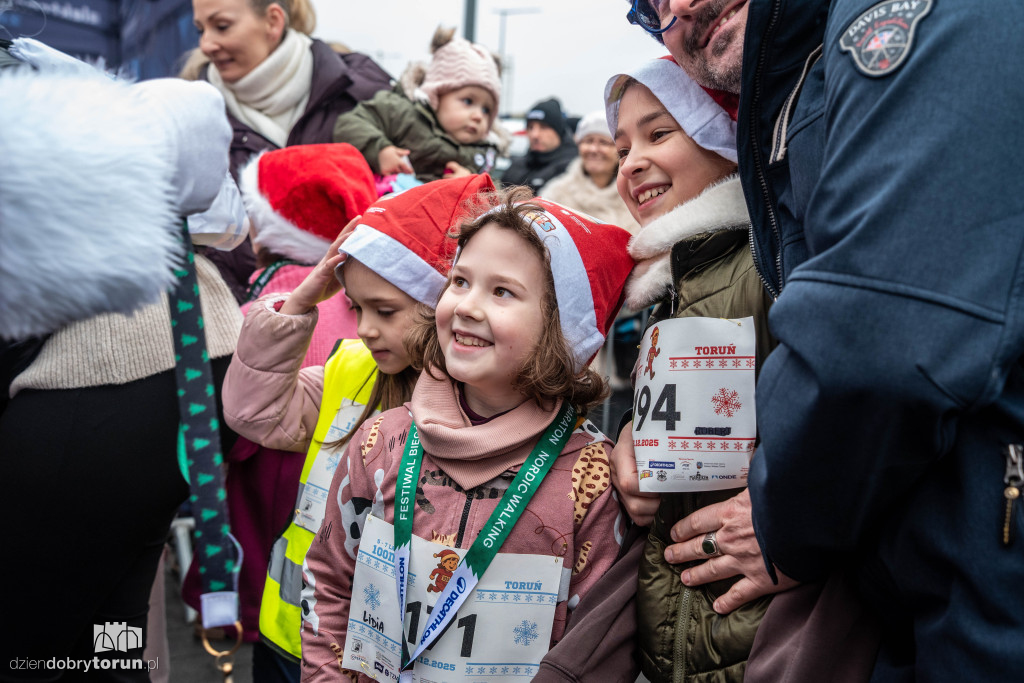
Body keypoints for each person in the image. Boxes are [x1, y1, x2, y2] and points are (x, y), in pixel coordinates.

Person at [630, 0, 1024, 679]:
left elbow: (881, 336)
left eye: (659, 132)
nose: (683, 6)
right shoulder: (798, 90)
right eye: (652, 6)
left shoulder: (889, 30)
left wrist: (785, 517)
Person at [296, 189, 635, 681]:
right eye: (459, 280)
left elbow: (592, 648)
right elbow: (328, 582)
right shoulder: (379, 443)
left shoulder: (593, 478)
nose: (467, 306)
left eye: (502, 291)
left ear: (561, 330)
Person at [0, 75, 241, 681]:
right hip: (176, 371)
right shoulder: (179, 243)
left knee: (33, 641)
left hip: (100, 391)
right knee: (114, 617)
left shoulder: (105, 236)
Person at [221, 174, 496, 681]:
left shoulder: (487, 405)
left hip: (386, 653)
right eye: (355, 307)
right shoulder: (350, 368)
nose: (366, 328)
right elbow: (250, 412)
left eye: (385, 310)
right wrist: (301, 302)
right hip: (292, 633)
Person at [606, 56, 775, 682]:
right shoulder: (676, 275)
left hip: (757, 626)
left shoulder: (769, 262)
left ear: (725, 129)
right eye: (621, 149)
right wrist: (633, 433)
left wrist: (792, 524)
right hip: (684, 626)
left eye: (659, 133)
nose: (631, 163)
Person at [179, 143, 376, 660]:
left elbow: (234, 414)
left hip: (268, 470)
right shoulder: (374, 302)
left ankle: (234, 627)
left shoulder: (267, 296)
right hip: (341, 478)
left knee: (259, 567)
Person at [190, 0, 392, 301]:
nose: (206, 44)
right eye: (200, 29)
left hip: (362, 328)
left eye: (221, 26)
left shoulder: (361, 89)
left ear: (273, 21)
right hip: (243, 329)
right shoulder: (192, 116)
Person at [333, 26, 503, 183]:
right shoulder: (401, 111)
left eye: (487, 110)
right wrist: (379, 150)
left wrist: (474, 185)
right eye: (468, 101)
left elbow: (497, 198)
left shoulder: (483, 152)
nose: (479, 116)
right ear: (436, 93)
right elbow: (350, 123)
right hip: (386, 205)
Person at [540, 109, 637, 233]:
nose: (594, 149)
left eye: (604, 142)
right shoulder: (556, 195)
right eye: (588, 141)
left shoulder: (636, 195)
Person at [501, 97, 578, 194]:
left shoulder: (573, 169)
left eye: (543, 127)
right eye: (530, 127)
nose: (535, 135)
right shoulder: (517, 166)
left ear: (558, 131)